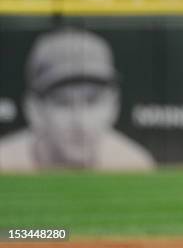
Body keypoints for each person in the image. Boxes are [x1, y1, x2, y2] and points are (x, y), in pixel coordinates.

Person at [0, 28, 155, 171]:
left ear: (114, 104)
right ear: (34, 110)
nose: (80, 122)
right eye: (63, 103)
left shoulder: (133, 163)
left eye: (92, 101)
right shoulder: (4, 161)